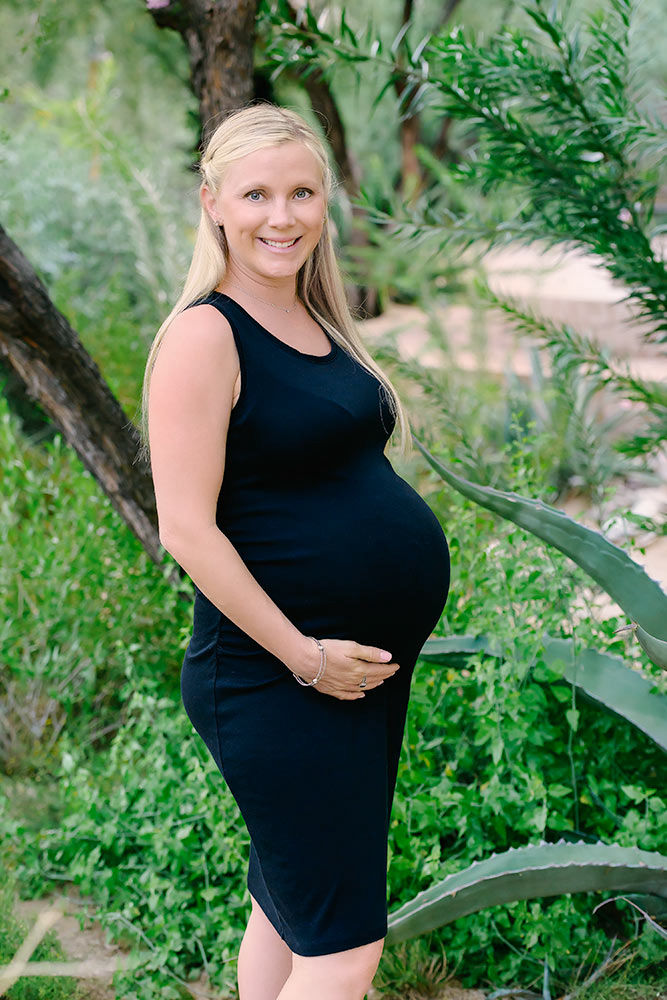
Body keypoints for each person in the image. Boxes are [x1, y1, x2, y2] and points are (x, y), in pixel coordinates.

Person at [140, 102, 451, 1000]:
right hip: (277, 679)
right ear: (213, 203)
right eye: (257, 194)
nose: (282, 216)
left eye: (302, 192)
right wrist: (305, 659)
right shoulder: (206, 336)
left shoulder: (316, 323)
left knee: (288, 914)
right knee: (345, 948)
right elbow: (186, 530)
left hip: (343, 680)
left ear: (324, 203)